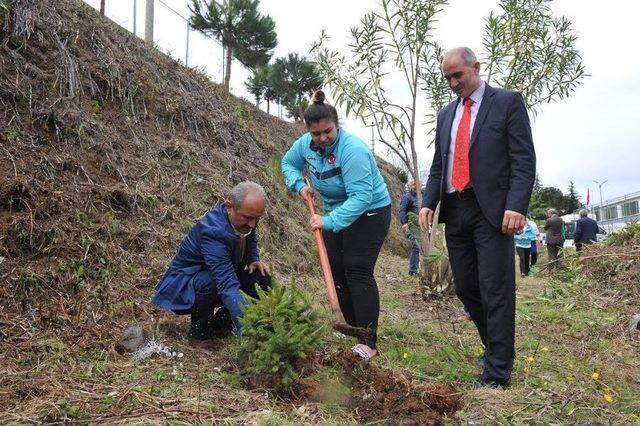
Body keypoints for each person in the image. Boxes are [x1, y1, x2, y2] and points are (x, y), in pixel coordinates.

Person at [418, 47, 535, 388]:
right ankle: (495, 349)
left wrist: (517, 205)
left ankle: (497, 371)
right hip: (456, 209)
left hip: (494, 212)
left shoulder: (507, 102)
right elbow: (440, 164)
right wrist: (428, 202)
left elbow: (523, 159)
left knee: (495, 288)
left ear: (476, 67)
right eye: (448, 78)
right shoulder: (445, 115)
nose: (454, 83)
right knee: (468, 287)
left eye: (459, 75)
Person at [282, 90, 391, 363]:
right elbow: (288, 163)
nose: (322, 139)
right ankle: (351, 328)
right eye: (316, 133)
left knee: (357, 270)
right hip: (333, 212)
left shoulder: (352, 150)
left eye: (327, 132)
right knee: (337, 272)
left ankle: (368, 341)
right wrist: (299, 185)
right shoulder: (305, 145)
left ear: (336, 125)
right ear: (308, 131)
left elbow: (361, 197)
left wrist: (329, 222)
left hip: (369, 212)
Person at [152, 182, 271, 351]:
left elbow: (251, 233)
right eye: (248, 218)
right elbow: (227, 284)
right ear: (229, 207)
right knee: (209, 282)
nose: (252, 224)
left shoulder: (245, 217)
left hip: (223, 273)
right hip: (187, 284)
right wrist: (250, 328)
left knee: (261, 278)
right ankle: (199, 333)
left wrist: (253, 258)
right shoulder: (213, 233)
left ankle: (220, 324)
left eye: (257, 218)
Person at [398, 180, 420, 275]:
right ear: (411, 186)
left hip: (423, 225)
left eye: (417, 184)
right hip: (412, 226)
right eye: (414, 184)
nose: (415, 186)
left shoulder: (421, 196)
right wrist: (404, 223)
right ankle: (413, 271)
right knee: (416, 247)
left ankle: (421, 270)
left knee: (423, 248)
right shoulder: (407, 197)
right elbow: (402, 211)